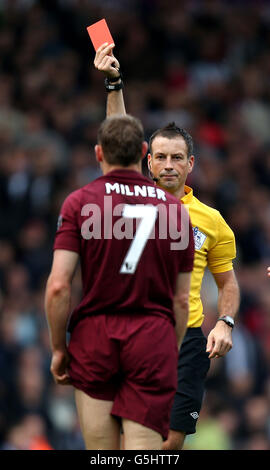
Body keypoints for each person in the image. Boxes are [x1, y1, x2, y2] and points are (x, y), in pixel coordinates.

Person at [94, 43, 240, 450]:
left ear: (191, 163)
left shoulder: (212, 221)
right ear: (147, 162)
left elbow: (228, 284)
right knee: (129, 438)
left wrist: (225, 323)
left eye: (177, 157)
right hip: (133, 331)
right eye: (160, 157)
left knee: (171, 441)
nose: (169, 165)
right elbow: (117, 130)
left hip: (188, 339)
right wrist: (114, 82)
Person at [45, 113, 195, 450]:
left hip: (94, 337)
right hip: (152, 336)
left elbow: (58, 286)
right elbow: (182, 300)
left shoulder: (79, 202)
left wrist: (58, 348)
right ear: (144, 151)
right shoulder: (175, 211)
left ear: (99, 153)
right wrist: (167, 349)